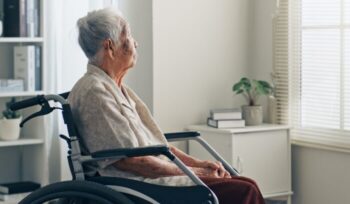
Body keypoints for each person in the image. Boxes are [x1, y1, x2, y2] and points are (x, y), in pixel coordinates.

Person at [68, 8, 265, 204]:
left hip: (153, 176)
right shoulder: (95, 91)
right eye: (128, 36)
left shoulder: (116, 88)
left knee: (247, 183)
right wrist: (197, 172)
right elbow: (132, 161)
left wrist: (201, 164)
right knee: (243, 191)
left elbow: (155, 146)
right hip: (137, 184)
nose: (136, 43)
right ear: (110, 47)